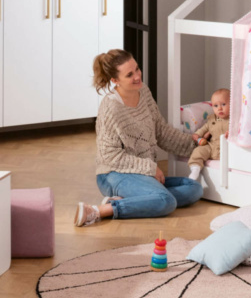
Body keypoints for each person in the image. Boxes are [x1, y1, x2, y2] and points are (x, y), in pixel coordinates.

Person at [74, 49, 202, 227]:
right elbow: (109, 156)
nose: (137, 76)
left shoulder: (144, 92)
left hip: (142, 174)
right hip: (113, 174)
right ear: (115, 80)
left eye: (137, 69)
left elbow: (161, 131)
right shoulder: (110, 108)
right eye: (129, 74)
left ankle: (134, 199)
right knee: (167, 202)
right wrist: (150, 168)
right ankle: (98, 211)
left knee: (194, 189)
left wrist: (196, 145)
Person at [187, 88, 230, 180]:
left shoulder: (233, 120)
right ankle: (195, 169)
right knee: (198, 151)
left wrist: (232, 134)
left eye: (223, 104)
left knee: (235, 154)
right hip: (211, 146)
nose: (220, 108)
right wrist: (197, 135)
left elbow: (239, 131)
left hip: (226, 148)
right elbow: (204, 128)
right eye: (215, 105)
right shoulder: (211, 120)